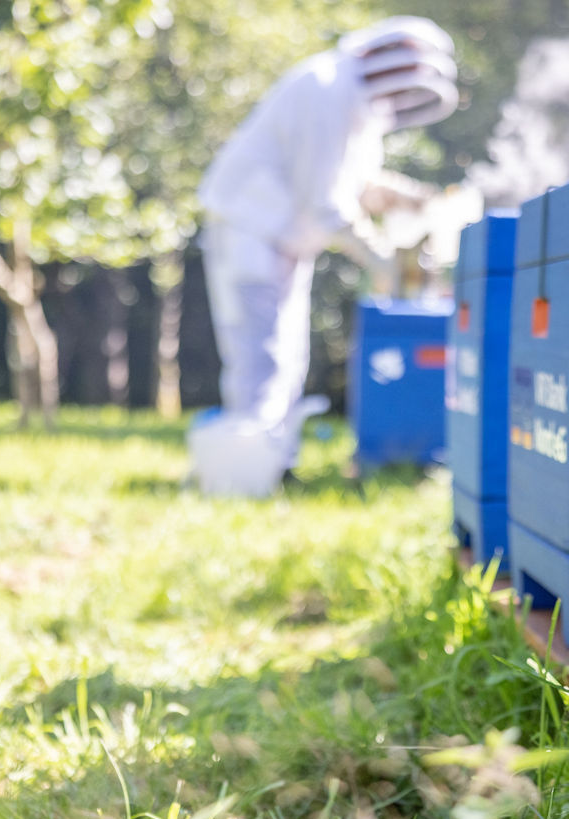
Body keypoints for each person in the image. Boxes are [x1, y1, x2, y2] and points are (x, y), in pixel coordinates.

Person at [188, 16, 459, 496]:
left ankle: (272, 463)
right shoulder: (326, 87)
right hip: (251, 230)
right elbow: (326, 199)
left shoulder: (352, 105)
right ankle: (244, 476)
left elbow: (351, 182)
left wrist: (409, 196)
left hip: (283, 240)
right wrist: (378, 257)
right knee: (261, 353)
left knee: (287, 353)